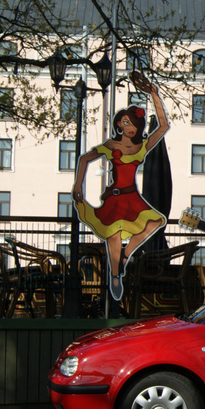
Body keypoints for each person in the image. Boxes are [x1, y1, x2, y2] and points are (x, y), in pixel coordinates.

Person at [71, 71, 168, 300]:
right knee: (113, 235)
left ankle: (124, 256)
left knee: (155, 221)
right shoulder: (111, 145)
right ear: (119, 125)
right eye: (125, 122)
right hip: (116, 196)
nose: (130, 126)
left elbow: (163, 127)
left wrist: (154, 95)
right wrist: (78, 186)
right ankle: (116, 275)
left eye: (133, 122)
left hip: (132, 196)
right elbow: (85, 159)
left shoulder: (142, 146)